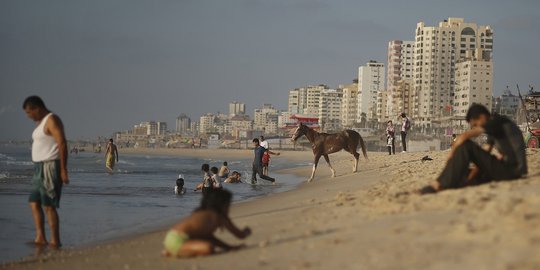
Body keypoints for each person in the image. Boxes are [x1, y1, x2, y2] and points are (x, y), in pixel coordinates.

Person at [419, 104, 528, 194]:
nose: (476, 127)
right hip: (506, 170)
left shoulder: (498, 122)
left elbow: (463, 137)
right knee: (464, 172)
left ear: (482, 117)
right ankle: (447, 185)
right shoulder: (494, 128)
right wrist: (471, 176)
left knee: (466, 145)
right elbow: (485, 153)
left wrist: (451, 154)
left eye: (475, 124)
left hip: (512, 171)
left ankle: (438, 185)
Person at [23, 96, 69, 248]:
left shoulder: (51, 119)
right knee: (34, 202)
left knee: (49, 205)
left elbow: (62, 143)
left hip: (50, 166)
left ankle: (55, 240)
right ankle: (40, 237)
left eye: (29, 112)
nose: (28, 116)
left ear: (37, 108)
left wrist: (63, 169)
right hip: (38, 168)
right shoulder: (40, 122)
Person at [162, 189, 251, 257]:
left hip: (172, 235)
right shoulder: (219, 216)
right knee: (208, 248)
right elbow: (239, 235)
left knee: (209, 244)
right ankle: (175, 251)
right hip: (178, 240)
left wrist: (229, 247)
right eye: (228, 205)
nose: (228, 208)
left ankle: (173, 249)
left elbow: (208, 237)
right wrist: (247, 231)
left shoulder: (200, 212)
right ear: (222, 205)